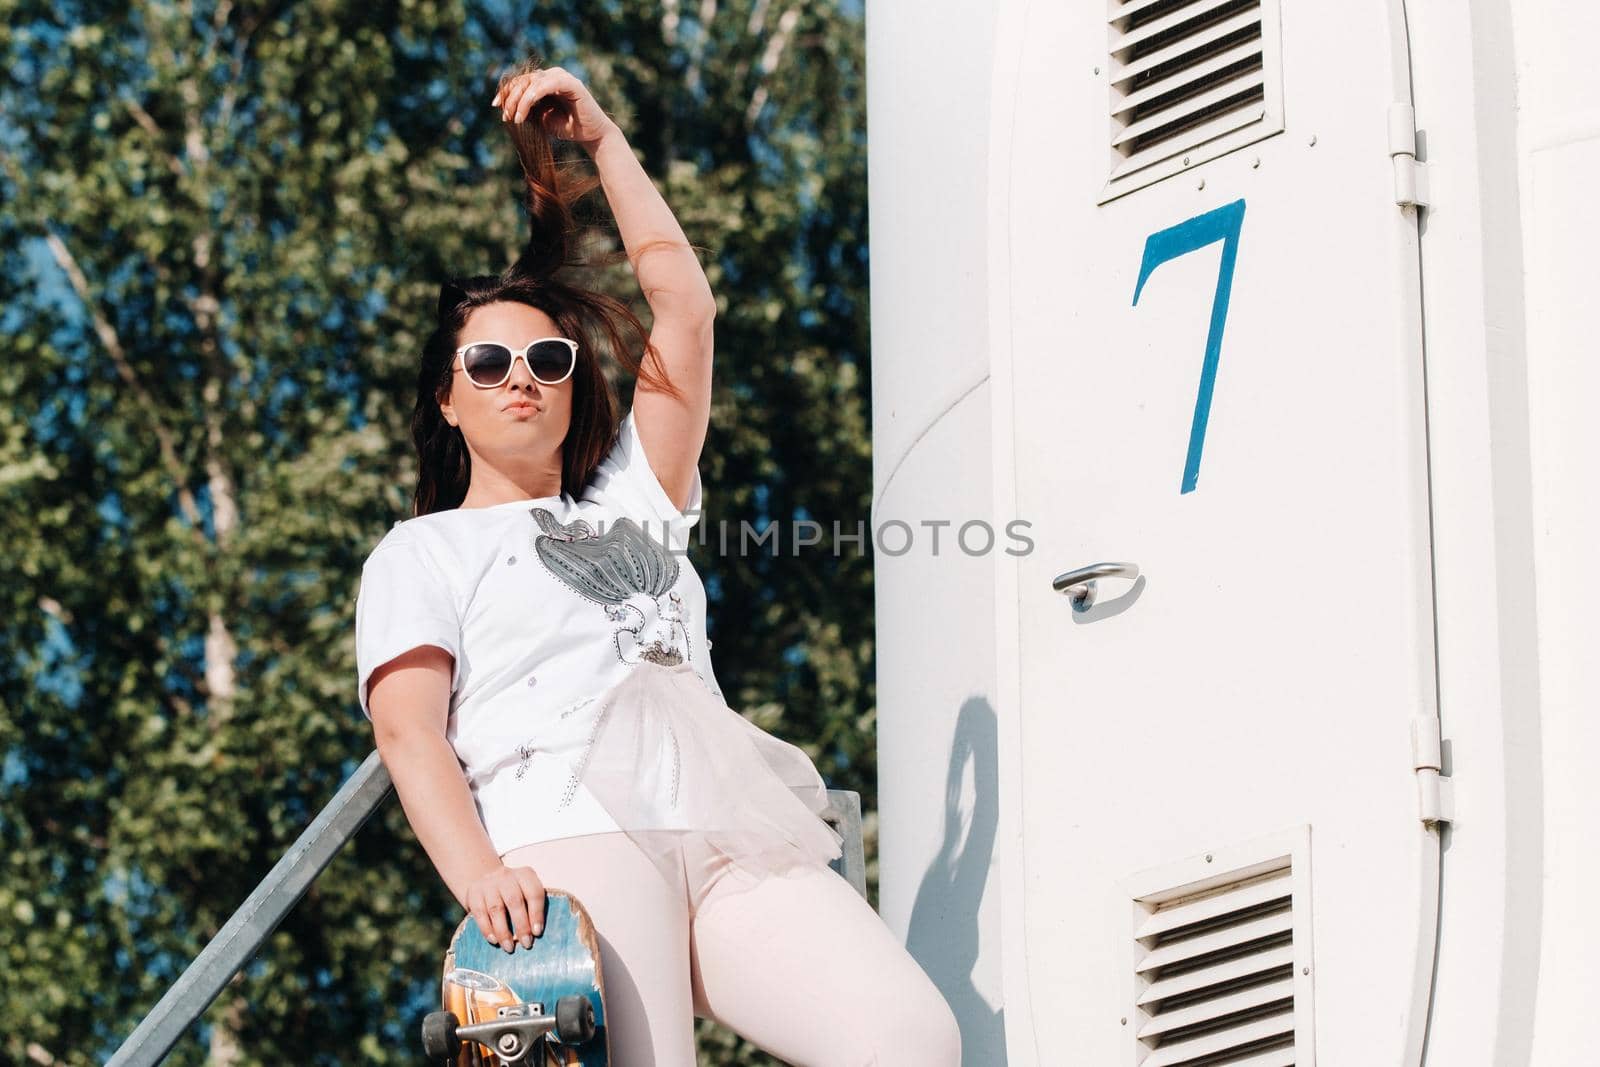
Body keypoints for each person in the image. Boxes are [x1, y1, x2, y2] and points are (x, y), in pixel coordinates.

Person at [353, 56, 961, 1066]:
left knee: (905, 1036)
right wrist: (475, 873)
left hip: (726, 824)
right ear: (447, 399)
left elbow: (684, 309)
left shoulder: (635, 501)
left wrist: (601, 141)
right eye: (488, 363)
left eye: (549, 360)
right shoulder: (421, 551)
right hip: (566, 825)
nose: (522, 380)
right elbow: (408, 731)